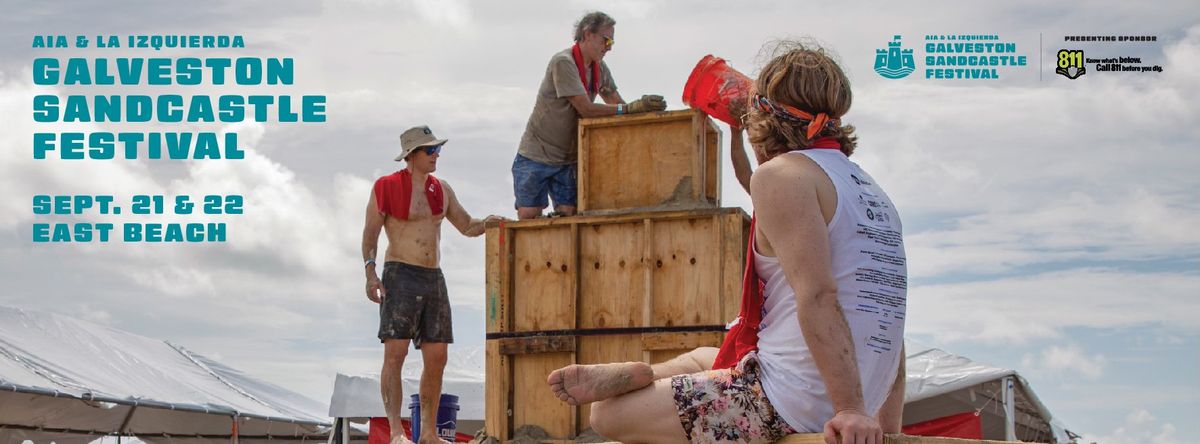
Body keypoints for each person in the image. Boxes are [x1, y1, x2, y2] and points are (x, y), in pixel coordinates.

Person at [546, 42, 908, 444]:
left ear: (762, 114)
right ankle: (644, 374)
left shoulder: (783, 177)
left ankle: (637, 383)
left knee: (608, 414)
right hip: (842, 389)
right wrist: (887, 426)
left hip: (792, 402)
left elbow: (819, 296)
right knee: (708, 356)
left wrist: (850, 411)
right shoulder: (870, 190)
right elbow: (891, 321)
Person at [363, 125, 502, 444]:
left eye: (438, 149)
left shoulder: (443, 189)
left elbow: (467, 226)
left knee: (437, 357)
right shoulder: (385, 186)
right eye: (430, 150)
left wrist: (487, 223)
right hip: (399, 273)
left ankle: (427, 433)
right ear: (410, 156)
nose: (436, 154)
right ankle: (397, 431)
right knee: (394, 355)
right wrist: (370, 273)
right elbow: (370, 233)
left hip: (433, 276)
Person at [513, 11, 667, 220]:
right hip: (536, 154)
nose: (609, 47)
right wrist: (630, 109)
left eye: (612, 41)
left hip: (567, 159)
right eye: (606, 39)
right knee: (530, 216)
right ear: (587, 34)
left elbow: (617, 104)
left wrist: (643, 112)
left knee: (568, 216)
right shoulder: (564, 63)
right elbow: (586, 109)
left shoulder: (599, 69)